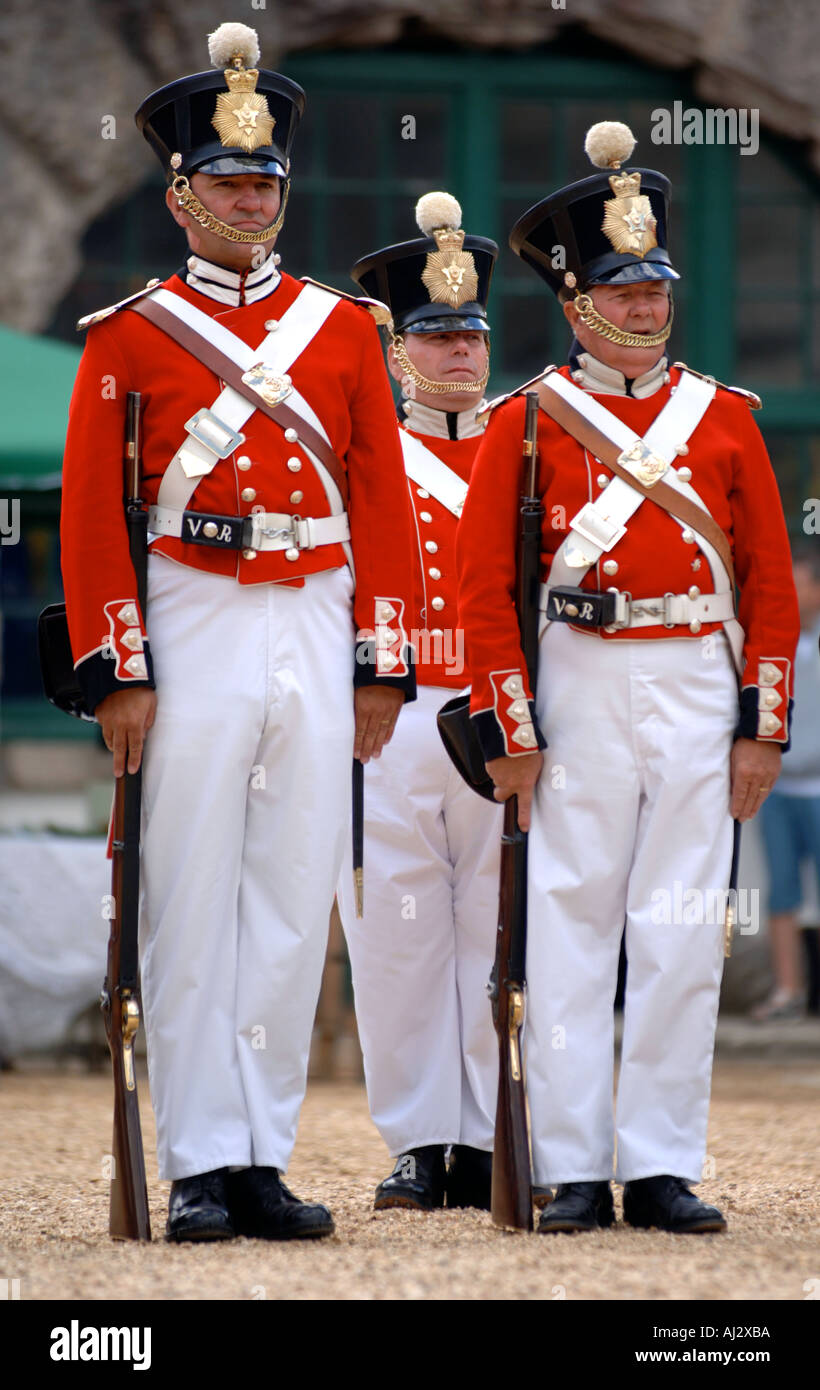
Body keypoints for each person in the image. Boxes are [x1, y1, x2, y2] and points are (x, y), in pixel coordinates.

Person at [60, 22, 416, 1242]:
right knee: (192, 892)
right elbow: (94, 516)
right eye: (225, 179)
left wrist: (381, 661)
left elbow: (381, 499)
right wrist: (120, 667)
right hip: (192, 610)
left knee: (285, 890)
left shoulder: (342, 330)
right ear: (179, 192)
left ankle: (263, 1154)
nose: (249, 199)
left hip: (315, 612)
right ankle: (199, 1158)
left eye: (264, 181)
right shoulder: (125, 336)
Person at [456, 121, 800, 1234]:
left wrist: (763, 727)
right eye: (625, 291)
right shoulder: (520, 425)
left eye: (656, 289)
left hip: (699, 670)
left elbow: (768, 585)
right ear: (576, 300)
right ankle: (566, 1162)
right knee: (568, 921)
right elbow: (482, 596)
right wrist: (509, 726)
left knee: (681, 923)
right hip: (580, 672)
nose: (649, 308)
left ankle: (657, 1161)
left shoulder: (727, 420)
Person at [335, 194, 503, 1211]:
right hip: (388, 712)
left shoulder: (527, 441)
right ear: (397, 350)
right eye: (435, 337)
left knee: (495, 927)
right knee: (394, 935)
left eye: (468, 336)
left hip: (492, 712)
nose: (455, 355)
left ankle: (485, 1137)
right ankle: (417, 1139)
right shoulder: (363, 454)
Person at [752, 543, 820, 1020]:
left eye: (799, 585)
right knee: (781, 893)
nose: (792, 595)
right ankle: (788, 992)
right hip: (778, 790)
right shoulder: (771, 643)